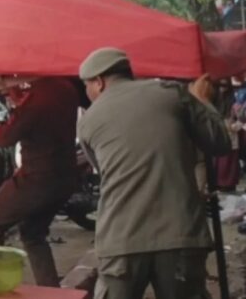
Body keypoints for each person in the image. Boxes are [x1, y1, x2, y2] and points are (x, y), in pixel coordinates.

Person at [77, 48, 231, 299]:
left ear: (99, 82)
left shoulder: (88, 121)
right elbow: (220, 143)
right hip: (180, 235)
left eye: (87, 86)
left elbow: (104, 171)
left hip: (121, 240)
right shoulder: (171, 93)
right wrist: (203, 99)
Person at [0, 77, 80, 287]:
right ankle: (49, 289)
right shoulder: (64, 87)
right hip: (64, 176)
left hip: (37, 178)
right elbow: (34, 114)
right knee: (33, 233)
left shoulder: (37, 102)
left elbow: (4, 138)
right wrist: (13, 92)